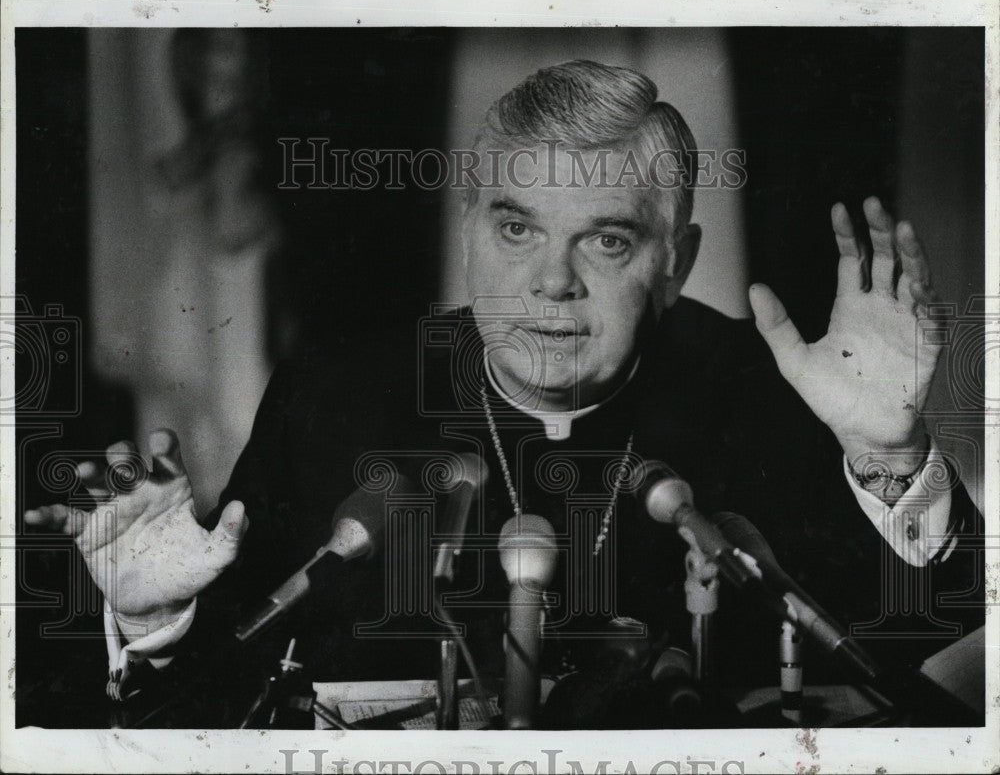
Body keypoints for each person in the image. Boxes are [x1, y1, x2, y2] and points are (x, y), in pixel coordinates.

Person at [25, 60, 983, 727]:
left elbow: (913, 653)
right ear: (470, 229)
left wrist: (892, 457)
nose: (550, 283)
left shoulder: (763, 388)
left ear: (676, 264)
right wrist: (155, 624)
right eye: (517, 229)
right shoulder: (336, 395)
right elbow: (221, 690)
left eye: (606, 241)